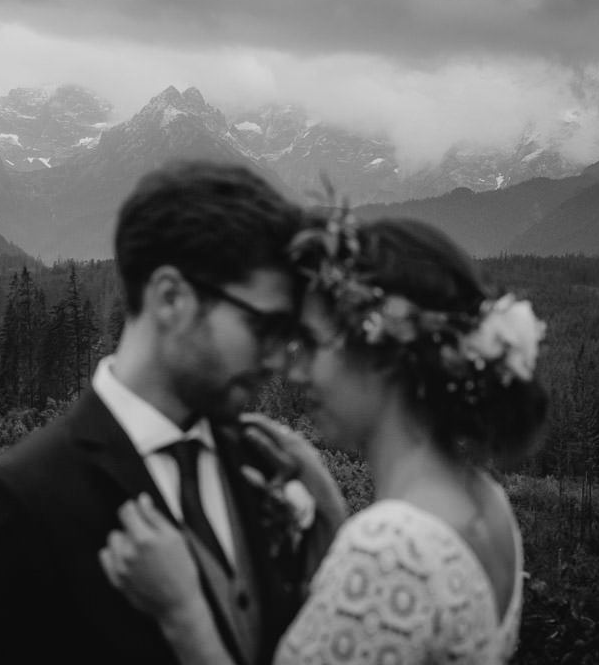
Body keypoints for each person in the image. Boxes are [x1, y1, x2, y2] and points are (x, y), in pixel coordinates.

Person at [101, 209, 549, 665]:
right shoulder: (487, 504)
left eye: (312, 344)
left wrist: (183, 612)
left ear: (381, 354)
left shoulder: (388, 548)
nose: (295, 371)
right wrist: (330, 508)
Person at [0, 160, 347, 665]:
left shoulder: (266, 467)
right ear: (170, 298)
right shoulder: (17, 503)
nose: (276, 361)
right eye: (262, 328)